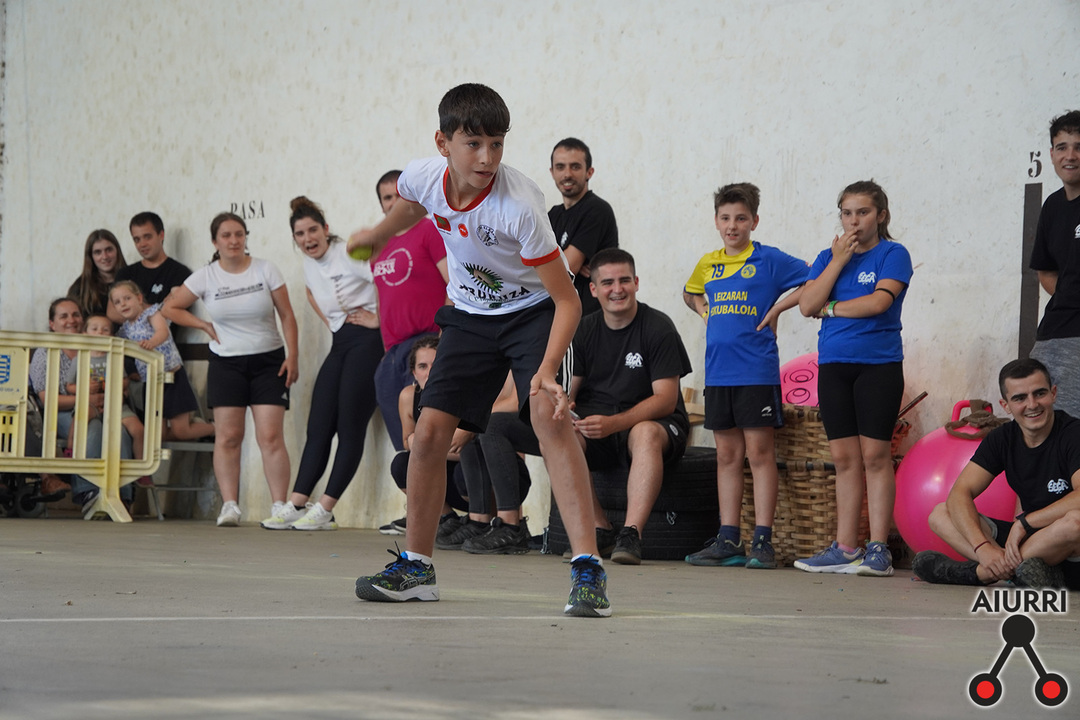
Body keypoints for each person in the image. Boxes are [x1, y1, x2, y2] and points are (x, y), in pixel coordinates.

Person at [348, 83, 609, 617]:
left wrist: (547, 371)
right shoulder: (423, 176)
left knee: (548, 417)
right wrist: (378, 234)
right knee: (428, 434)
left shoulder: (520, 207)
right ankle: (417, 568)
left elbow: (568, 300)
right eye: (474, 144)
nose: (487, 158)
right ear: (443, 143)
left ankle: (588, 569)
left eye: (497, 143)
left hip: (533, 314)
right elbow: (411, 207)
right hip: (470, 316)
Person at [682, 183, 807, 569]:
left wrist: (779, 308)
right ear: (716, 221)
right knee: (727, 455)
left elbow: (816, 278)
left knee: (760, 453)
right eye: (725, 218)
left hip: (756, 371)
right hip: (719, 374)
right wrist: (703, 310)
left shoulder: (769, 260)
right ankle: (729, 538)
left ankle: (763, 540)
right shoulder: (708, 263)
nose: (732, 225)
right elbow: (690, 293)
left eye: (740, 218)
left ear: (754, 221)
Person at [793, 180, 912, 577]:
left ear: (881, 215)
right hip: (834, 366)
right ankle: (845, 548)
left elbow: (879, 302)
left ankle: (878, 549)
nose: (854, 221)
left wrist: (830, 308)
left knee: (875, 457)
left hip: (878, 366)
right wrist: (837, 262)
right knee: (844, 460)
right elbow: (807, 305)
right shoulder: (828, 257)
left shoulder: (893, 254)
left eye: (863, 212)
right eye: (847, 213)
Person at [162, 213, 299, 527]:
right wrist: (203, 325)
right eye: (226, 235)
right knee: (228, 437)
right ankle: (230, 506)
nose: (234, 241)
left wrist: (293, 356)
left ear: (245, 237)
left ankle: (280, 505)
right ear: (215, 241)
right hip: (226, 364)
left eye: (239, 234)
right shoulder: (205, 276)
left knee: (270, 436)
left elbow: (287, 316)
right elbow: (170, 307)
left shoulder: (266, 269)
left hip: (269, 362)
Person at [260, 196, 383, 531]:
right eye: (300, 234)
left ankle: (326, 508)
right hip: (341, 342)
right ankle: (297, 503)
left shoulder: (348, 253)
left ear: (326, 229)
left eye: (313, 230)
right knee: (319, 425)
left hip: (369, 342)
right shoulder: (309, 265)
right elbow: (312, 293)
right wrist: (333, 323)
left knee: (349, 427)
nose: (308, 238)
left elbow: (386, 282)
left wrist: (380, 320)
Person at [569, 248, 692, 565]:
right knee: (561, 435)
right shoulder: (583, 329)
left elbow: (665, 399)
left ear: (636, 283)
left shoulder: (658, 327)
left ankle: (631, 534)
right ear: (593, 289)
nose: (617, 289)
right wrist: (565, 408)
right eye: (607, 283)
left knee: (644, 432)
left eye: (624, 280)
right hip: (601, 428)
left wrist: (613, 424)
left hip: (658, 425)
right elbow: (570, 390)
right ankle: (600, 528)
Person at [913, 358, 1080, 589]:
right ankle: (1008, 569)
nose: (1032, 404)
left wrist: (1025, 523)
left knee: (1075, 522)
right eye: (1020, 398)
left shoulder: (1073, 433)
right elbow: (960, 493)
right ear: (1006, 405)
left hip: (1068, 548)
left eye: (1039, 393)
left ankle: (975, 574)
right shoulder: (1002, 438)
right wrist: (983, 548)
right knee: (940, 514)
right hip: (1028, 541)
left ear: (1053, 393)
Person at [361, 171, 449, 452]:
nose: (393, 203)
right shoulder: (378, 245)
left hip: (426, 342)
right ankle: (409, 477)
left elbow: (454, 285)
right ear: (381, 205)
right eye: (387, 198)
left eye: (399, 196)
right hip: (393, 353)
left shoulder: (429, 229)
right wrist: (384, 342)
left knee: (432, 438)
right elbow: (382, 295)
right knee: (405, 443)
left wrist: (443, 337)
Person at [28, 299, 135, 514]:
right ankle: (88, 491)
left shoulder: (98, 347)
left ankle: (121, 494)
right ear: (52, 324)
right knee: (92, 428)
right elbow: (48, 400)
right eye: (63, 316)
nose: (71, 320)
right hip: (62, 412)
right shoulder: (45, 352)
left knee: (120, 430)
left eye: (75, 315)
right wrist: (86, 399)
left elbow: (121, 383)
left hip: (104, 407)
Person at [387, 335, 471, 534]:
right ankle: (446, 518)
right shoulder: (408, 396)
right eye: (422, 366)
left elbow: (468, 450)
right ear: (414, 372)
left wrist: (423, 445)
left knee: (467, 466)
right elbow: (407, 441)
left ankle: (481, 522)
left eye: (436, 364)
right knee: (401, 464)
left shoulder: (464, 393)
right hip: (438, 475)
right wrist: (426, 445)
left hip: (469, 483)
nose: (429, 372)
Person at [110, 281, 214, 442]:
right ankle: (199, 427)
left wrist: (152, 342)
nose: (123, 304)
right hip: (151, 382)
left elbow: (162, 331)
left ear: (139, 298)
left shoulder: (151, 313)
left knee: (181, 431)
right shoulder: (125, 329)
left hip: (172, 377)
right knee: (158, 436)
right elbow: (115, 343)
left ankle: (216, 429)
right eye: (117, 302)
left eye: (127, 298)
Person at [1029, 110, 1080, 417]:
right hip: (1051, 334)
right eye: (1062, 147)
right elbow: (1046, 271)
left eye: (1079, 147)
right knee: (1038, 422)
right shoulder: (1052, 206)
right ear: (1051, 154)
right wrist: (1067, 296)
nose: (1070, 156)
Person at [548, 137, 619, 316]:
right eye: (560, 167)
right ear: (552, 172)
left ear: (589, 172)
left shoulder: (596, 209)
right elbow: (528, 265)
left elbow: (566, 270)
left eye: (575, 166)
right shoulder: (552, 215)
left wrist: (553, 263)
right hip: (560, 315)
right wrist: (558, 262)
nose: (567, 174)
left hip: (591, 318)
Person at [66, 313, 146, 464]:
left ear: (112, 336)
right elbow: (69, 386)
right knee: (79, 419)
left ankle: (141, 467)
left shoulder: (115, 357)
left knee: (138, 430)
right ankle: (70, 449)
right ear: (85, 334)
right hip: (90, 403)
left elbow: (125, 381)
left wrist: (113, 385)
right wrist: (85, 387)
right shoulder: (79, 358)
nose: (100, 333)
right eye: (94, 329)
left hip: (116, 405)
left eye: (105, 330)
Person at [113, 212, 192, 322]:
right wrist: (156, 308)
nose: (142, 244)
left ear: (161, 235)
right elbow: (112, 313)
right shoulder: (125, 273)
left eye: (147, 237)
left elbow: (169, 312)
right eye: (137, 239)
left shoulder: (179, 273)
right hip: (126, 334)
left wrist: (133, 308)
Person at [67, 229, 128, 317]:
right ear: (90, 257)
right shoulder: (80, 287)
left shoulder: (134, 278)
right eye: (98, 252)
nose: (105, 257)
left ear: (117, 251)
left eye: (109, 250)